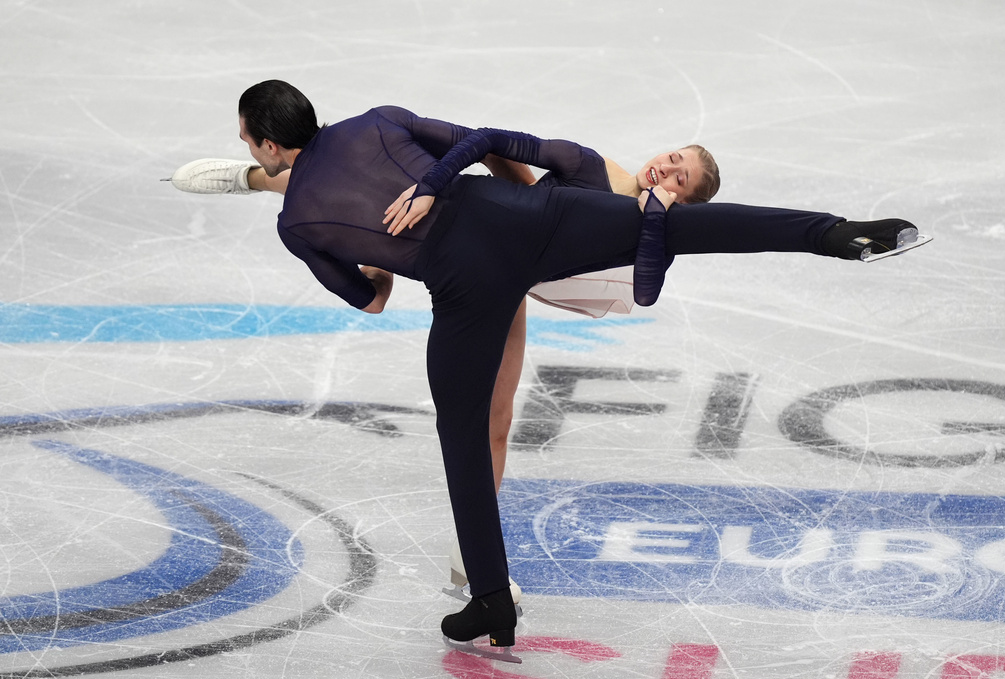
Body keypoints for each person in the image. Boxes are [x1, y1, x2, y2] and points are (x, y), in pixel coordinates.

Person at [174, 79, 926, 662]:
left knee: (462, 440)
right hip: (524, 218)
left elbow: (370, 299)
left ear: (260, 139)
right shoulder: (378, 117)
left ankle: (492, 602)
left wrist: (373, 245)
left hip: (465, 288)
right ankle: (837, 234)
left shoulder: (298, 225)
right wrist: (448, 185)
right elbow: (476, 138)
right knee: (686, 229)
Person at [170, 139, 723, 608]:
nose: (668, 170)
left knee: (498, 421)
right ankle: (254, 176)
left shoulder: (656, 231)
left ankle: (469, 560)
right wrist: (519, 201)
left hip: (514, 281)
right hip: (482, 233)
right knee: (370, 199)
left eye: (682, 179)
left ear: (687, 203)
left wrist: (656, 217)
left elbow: (631, 287)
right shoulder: (593, 168)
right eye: (674, 157)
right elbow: (507, 154)